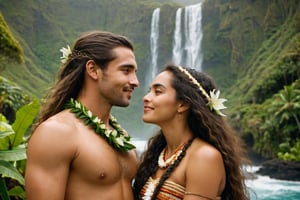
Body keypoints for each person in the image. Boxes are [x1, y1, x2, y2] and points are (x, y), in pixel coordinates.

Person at [25, 30, 139, 200]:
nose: (135, 81)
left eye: (134, 72)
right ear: (93, 70)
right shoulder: (57, 133)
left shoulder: (122, 136)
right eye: (126, 70)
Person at [133, 64, 250, 200]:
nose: (146, 97)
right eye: (149, 91)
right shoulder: (159, 153)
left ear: (182, 104)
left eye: (158, 92)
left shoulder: (204, 157)